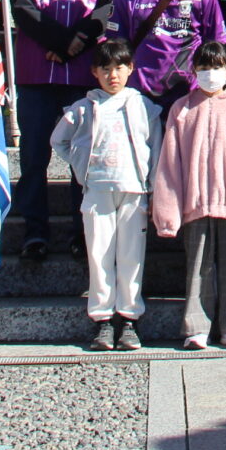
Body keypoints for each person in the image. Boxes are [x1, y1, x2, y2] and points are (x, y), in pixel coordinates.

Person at [6, 0, 119, 261]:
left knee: (82, 160)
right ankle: (34, 232)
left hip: (83, 75)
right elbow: (22, 8)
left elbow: (106, 9)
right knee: (33, 158)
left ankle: (81, 232)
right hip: (36, 74)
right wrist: (59, 42)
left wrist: (77, 43)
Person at [151, 41, 226, 350]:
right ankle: (197, 327)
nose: (210, 73)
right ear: (194, 71)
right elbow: (170, 163)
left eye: (216, 67)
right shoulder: (182, 108)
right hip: (195, 202)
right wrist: (167, 213)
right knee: (198, 268)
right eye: (203, 68)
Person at [51, 37, 162, 351]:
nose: (113, 74)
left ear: (131, 68)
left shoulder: (144, 107)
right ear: (95, 72)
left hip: (134, 189)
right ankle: (102, 319)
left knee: (131, 256)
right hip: (97, 189)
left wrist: (153, 187)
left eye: (119, 67)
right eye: (105, 68)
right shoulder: (83, 108)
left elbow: (156, 148)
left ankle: (129, 318)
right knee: (99, 254)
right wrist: (80, 164)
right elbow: (58, 140)